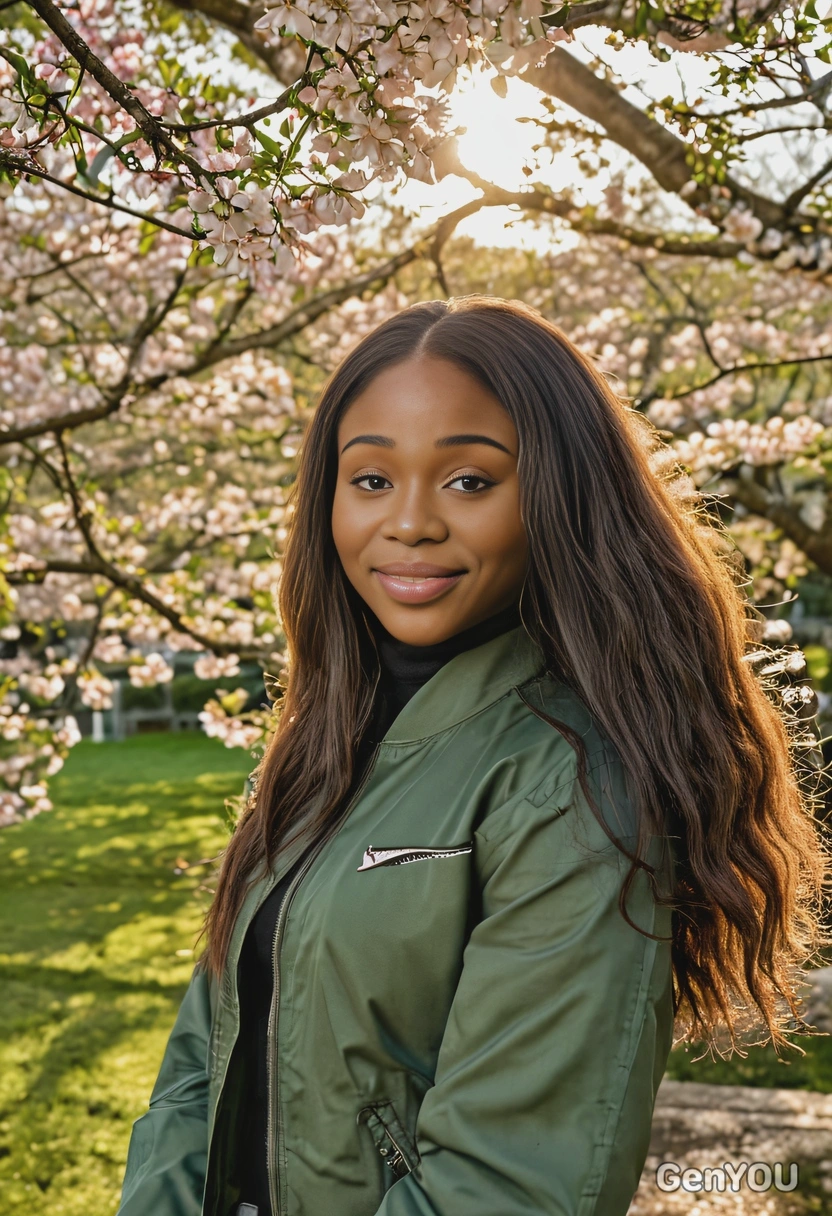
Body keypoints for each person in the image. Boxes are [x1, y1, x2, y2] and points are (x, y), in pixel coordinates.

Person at [116, 296, 828, 1216]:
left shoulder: (573, 783)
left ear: (559, 496)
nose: (409, 522)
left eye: (470, 481)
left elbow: (508, 1183)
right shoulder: (328, 737)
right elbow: (202, 1059)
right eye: (371, 479)